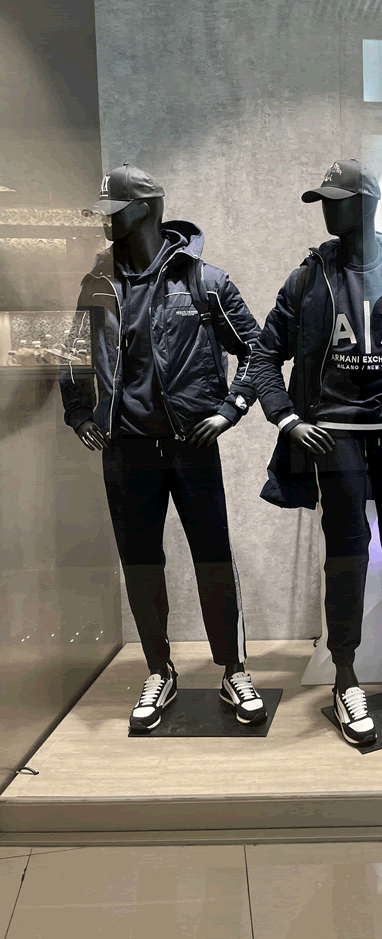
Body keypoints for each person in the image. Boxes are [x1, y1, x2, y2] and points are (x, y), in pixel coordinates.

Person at [250, 159, 382, 747]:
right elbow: (264, 356)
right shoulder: (308, 277)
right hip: (336, 434)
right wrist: (288, 418)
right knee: (346, 555)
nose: (327, 209)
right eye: (323, 199)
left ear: (366, 204)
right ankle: (345, 678)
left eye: (337, 199)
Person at [60, 164, 266, 731]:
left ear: (147, 208)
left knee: (213, 557)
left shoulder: (204, 282)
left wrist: (231, 409)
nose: (105, 221)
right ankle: (159, 670)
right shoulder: (96, 284)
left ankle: (233, 668)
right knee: (141, 562)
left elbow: (258, 350)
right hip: (125, 448)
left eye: (115, 210)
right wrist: (79, 413)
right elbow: (73, 355)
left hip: (190, 444)